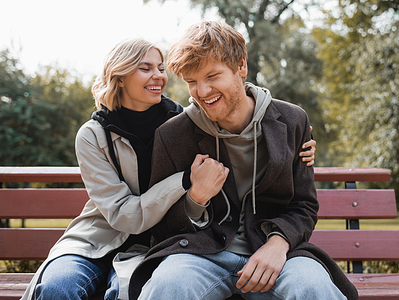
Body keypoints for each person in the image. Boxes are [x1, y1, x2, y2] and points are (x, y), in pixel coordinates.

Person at [21, 38, 316, 300]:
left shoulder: (183, 122)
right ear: (120, 76)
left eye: (161, 68)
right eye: (145, 68)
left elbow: (245, 114)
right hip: (98, 238)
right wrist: (186, 181)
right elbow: (124, 214)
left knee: (123, 292)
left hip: (150, 245)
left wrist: (295, 141)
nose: (158, 76)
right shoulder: (94, 136)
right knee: (58, 288)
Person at [128, 21, 358, 300]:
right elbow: (163, 227)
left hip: (279, 256)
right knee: (166, 286)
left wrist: (278, 243)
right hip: (200, 255)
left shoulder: (292, 120)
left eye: (212, 76)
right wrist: (195, 199)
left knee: (313, 288)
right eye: (192, 82)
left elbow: (304, 206)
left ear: (241, 66)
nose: (202, 92)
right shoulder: (172, 135)